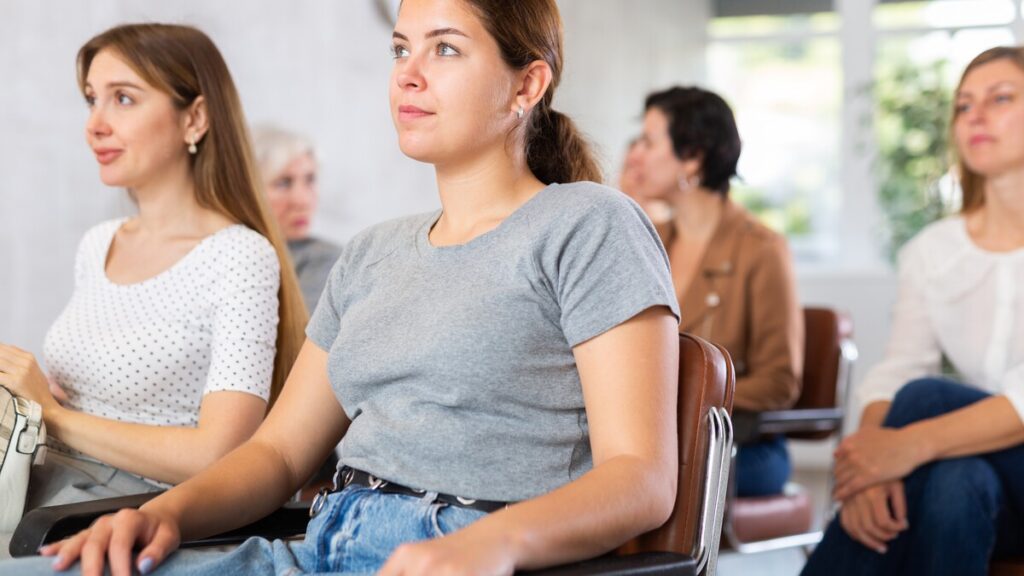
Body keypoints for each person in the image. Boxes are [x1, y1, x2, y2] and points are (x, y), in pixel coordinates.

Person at [0, 1, 681, 574]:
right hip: (321, 542)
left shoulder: (588, 223)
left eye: (444, 51)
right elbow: (276, 454)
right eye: (400, 50)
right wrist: (157, 517)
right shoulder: (371, 255)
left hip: (462, 549)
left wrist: (493, 543)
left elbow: (640, 477)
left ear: (526, 85)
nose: (408, 76)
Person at [0, 22, 307, 530]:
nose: (95, 124)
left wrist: (53, 416)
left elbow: (221, 454)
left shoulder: (238, 256)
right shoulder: (99, 243)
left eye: (123, 99)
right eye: (91, 99)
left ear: (196, 118)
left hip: (129, 515)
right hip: (40, 483)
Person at [801, 46, 1024, 576]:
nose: (975, 116)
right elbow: (898, 368)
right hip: (987, 473)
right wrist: (871, 473)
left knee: (926, 398)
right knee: (954, 485)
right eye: (964, 105)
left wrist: (900, 449)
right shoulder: (932, 251)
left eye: (1000, 98)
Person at [631, 86, 804, 497]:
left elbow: (779, 382)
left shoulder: (761, 249)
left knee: (646, 484)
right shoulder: (647, 241)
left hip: (740, 447)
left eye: (649, 141)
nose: (636, 154)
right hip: (664, 442)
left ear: (692, 157)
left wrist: (680, 395)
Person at [251, 125, 341, 311]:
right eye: (283, 183)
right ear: (248, 190)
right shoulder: (223, 250)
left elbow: (301, 338)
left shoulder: (325, 260)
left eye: (310, 180)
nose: (303, 201)